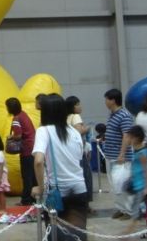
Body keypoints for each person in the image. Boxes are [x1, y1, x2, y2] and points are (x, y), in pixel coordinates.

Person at [31, 94, 87, 241]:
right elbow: (80, 157)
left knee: (56, 234)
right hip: (79, 188)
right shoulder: (74, 132)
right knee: (78, 234)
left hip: (57, 192)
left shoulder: (43, 131)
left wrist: (40, 188)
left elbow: (38, 161)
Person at [104, 88, 134, 219]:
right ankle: (121, 208)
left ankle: (130, 211)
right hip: (110, 155)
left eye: (107, 99)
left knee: (123, 184)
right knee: (114, 185)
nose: (105, 102)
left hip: (121, 157)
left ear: (113, 100)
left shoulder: (124, 115)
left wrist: (122, 154)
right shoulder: (112, 114)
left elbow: (127, 135)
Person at [5, 97, 37, 206]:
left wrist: (10, 137)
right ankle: (34, 198)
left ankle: (26, 199)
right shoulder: (24, 114)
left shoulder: (16, 119)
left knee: (26, 175)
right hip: (33, 148)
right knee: (33, 175)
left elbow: (18, 136)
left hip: (26, 150)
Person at [66, 96, 93, 206]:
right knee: (86, 176)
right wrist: (87, 128)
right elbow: (78, 132)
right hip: (79, 152)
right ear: (72, 107)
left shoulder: (66, 118)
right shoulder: (76, 116)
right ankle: (86, 203)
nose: (80, 106)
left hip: (69, 152)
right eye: (77, 104)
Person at [124, 126, 147, 233]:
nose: (128, 139)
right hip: (136, 183)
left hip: (141, 185)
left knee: (135, 208)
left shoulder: (142, 153)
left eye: (130, 137)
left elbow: (146, 169)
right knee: (135, 207)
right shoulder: (136, 150)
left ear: (137, 138)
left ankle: (128, 231)